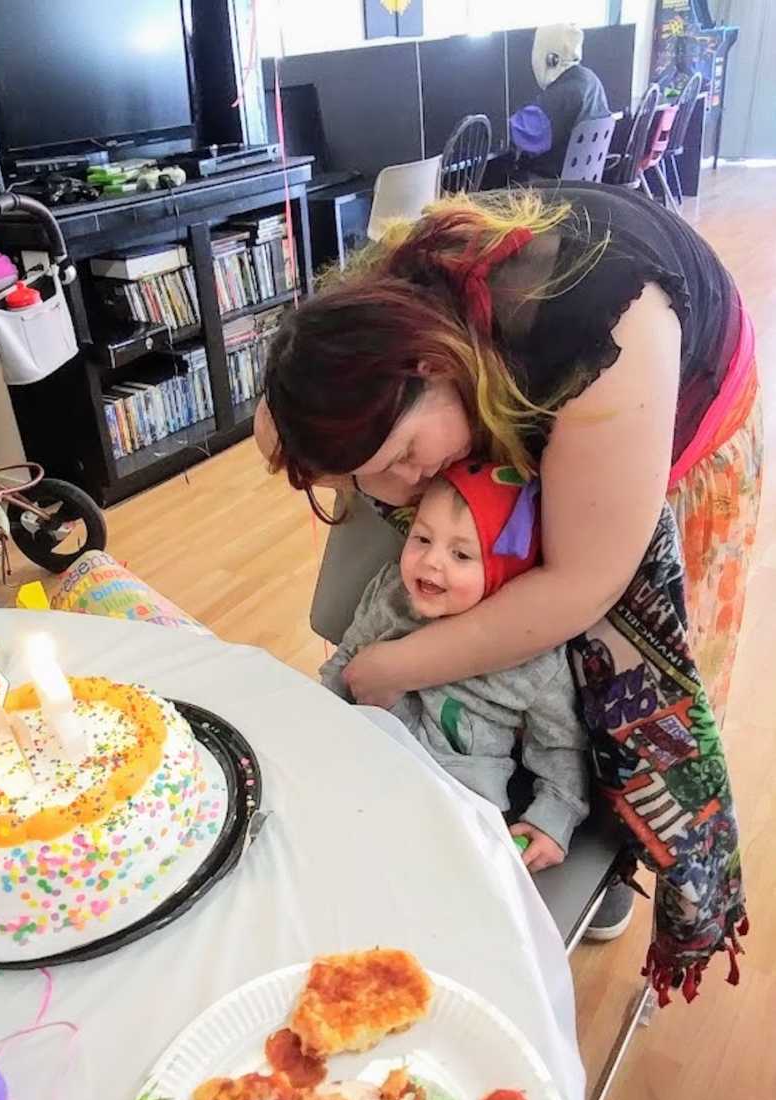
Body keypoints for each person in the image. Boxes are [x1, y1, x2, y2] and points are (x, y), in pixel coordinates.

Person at [257, 183, 760, 1002]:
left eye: (403, 453)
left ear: (428, 366)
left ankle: (604, 856)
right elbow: (283, 424)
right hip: (517, 380)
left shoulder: (610, 333)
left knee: (597, 673)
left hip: (658, 400)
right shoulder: (382, 315)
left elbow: (578, 588)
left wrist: (393, 669)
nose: (394, 490)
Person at [321, 462, 589, 872]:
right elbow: (343, 663)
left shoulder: (534, 658)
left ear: (504, 572)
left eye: (461, 554)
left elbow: (561, 747)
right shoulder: (391, 594)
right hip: (363, 768)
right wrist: (311, 721)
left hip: (457, 810)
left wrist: (554, 819)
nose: (430, 561)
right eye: (422, 538)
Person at [509, 23, 610, 179]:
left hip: (549, 189)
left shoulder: (564, 94)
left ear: (551, 59)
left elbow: (520, 136)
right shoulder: (590, 80)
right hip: (583, 187)